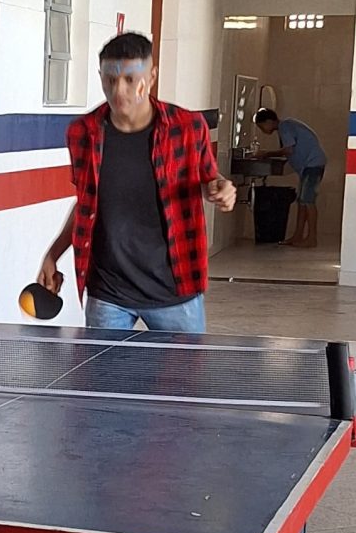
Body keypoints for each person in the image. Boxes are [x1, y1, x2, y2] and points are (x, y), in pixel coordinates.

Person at [39, 33, 236, 335]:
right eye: (110, 79)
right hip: (108, 293)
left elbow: (211, 178)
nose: (119, 90)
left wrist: (222, 189)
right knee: (104, 368)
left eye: (131, 80)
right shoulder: (82, 133)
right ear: (100, 77)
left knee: (184, 369)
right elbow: (87, 205)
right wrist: (53, 254)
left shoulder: (188, 126)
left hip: (175, 289)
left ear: (151, 76)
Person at [254, 108, 326, 250]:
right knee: (302, 201)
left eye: (262, 127)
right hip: (310, 166)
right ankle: (297, 235)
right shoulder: (287, 125)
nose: (263, 130)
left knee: (308, 201)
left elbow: (289, 150)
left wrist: (266, 154)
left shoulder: (285, 127)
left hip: (313, 165)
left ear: (269, 121)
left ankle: (312, 238)